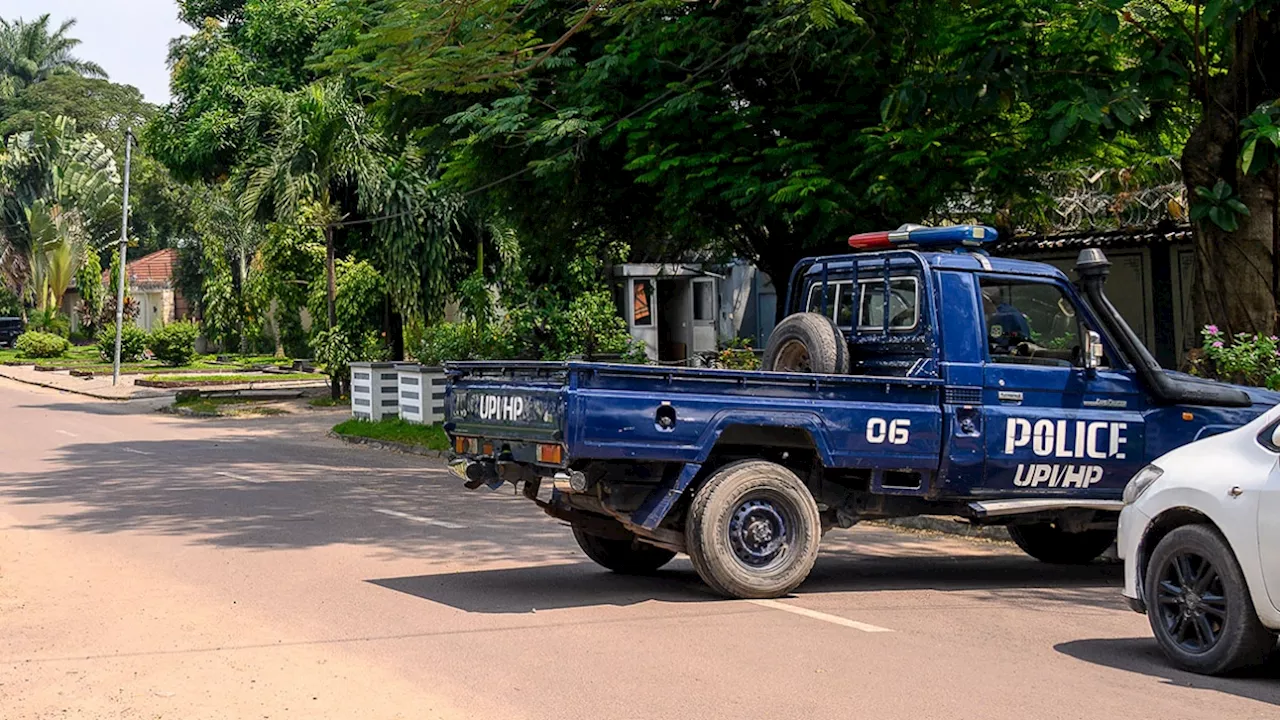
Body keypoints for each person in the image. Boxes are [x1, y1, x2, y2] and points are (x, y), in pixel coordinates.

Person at [981, 287, 1077, 362]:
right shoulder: (986, 316)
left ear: (988, 300)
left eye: (983, 300)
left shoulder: (1007, 316)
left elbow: (1017, 345)